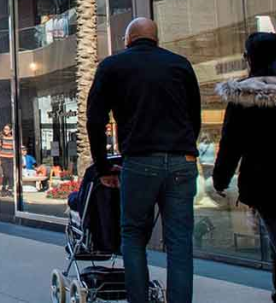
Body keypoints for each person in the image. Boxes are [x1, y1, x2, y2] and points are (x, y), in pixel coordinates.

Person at [86, 17, 201, 303]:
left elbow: (94, 120)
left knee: (134, 237)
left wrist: (102, 166)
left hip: (139, 161)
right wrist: (183, 148)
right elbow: (194, 117)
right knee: (179, 242)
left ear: (128, 40)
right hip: (182, 160)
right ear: (156, 39)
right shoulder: (180, 64)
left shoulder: (112, 66)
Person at [213, 32, 276, 303]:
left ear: (251, 58)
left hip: (266, 183)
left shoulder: (245, 96)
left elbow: (231, 143)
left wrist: (220, 179)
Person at [0, 124, 15, 196]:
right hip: (3, 157)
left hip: (12, 158)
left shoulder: (14, 138)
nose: (5, 130)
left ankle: (8, 189)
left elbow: (15, 148)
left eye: (7, 129)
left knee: (11, 174)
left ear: (10, 130)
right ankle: (7, 188)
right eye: (4, 129)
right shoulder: (1, 137)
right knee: (6, 173)